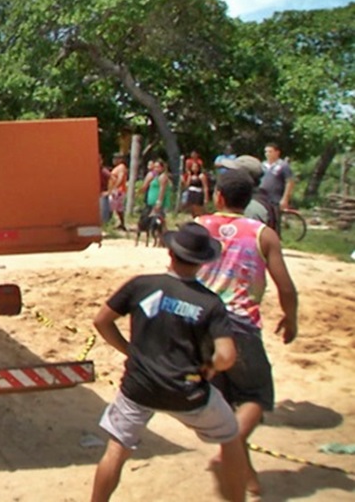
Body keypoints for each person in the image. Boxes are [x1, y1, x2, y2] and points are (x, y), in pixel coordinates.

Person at [89, 222, 246, 502]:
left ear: (170, 254)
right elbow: (227, 355)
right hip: (187, 391)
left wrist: (129, 350)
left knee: (116, 449)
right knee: (231, 438)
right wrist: (211, 367)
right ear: (202, 264)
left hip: (138, 388)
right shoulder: (210, 303)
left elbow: (102, 321)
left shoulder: (141, 285)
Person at [196, 172, 300, 496]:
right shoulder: (264, 234)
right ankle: (235, 444)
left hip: (199, 325)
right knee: (256, 396)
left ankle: (248, 477)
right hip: (238, 325)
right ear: (250, 201)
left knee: (226, 405)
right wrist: (291, 318)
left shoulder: (198, 226)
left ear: (218, 197)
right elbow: (286, 287)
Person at [258, 143, 295, 211]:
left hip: (276, 199)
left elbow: (290, 182)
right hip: (262, 198)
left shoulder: (283, 166)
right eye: (266, 152)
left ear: (277, 152)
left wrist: (285, 199)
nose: (267, 154)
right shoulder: (262, 165)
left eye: (270, 151)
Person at [181, 152, 211, 218]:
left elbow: (205, 187)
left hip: (198, 193)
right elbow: (187, 185)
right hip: (191, 192)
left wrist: (206, 198)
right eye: (193, 167)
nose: (194, 168)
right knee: (192, 209)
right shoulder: (190, 176)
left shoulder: (201, 176)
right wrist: (185, 179)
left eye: (196, 167)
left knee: (198, 209)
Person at [107, 153, 128, 231]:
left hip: (118, 190)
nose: (114, 160)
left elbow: (121, 178)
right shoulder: (117, 167)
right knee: (118, 208)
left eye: (116, 158)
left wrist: (114, 188)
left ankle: (109, 222)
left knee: (111, 206)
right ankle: (121, 224)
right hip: (117, 190)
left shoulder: (121, 167)